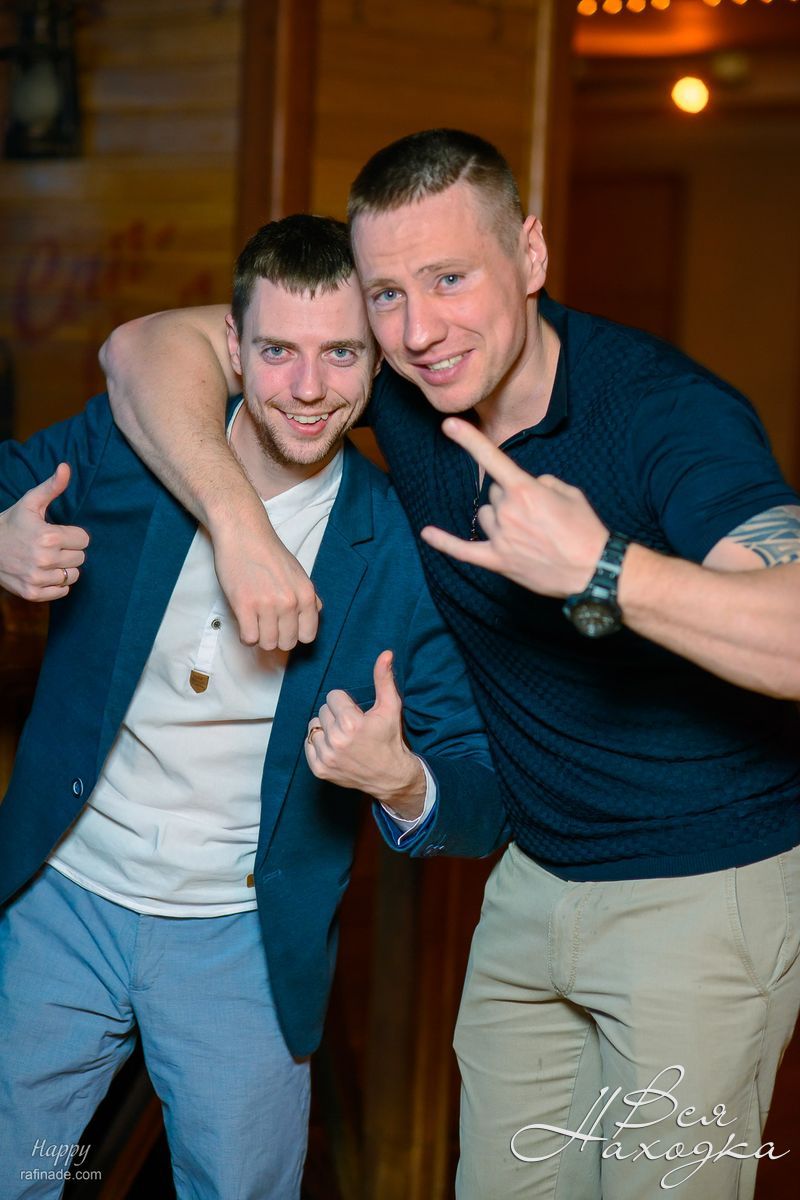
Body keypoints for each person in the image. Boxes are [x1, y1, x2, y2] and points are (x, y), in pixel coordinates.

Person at [102, 130, 800, 1200]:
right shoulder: (398, 382)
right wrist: (240, 530)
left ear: (530, 254)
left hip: (701, 891)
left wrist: (601, 569)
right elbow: (142, 348)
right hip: (532, 879)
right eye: (385, 294)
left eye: (449, 279)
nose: (419, 330)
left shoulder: (663, 414)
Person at [0, 212, 506, 1200]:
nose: (308, 388)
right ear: (231, 347)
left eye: (340, 354)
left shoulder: (401, 551)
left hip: (241, 937)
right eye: (277, 351)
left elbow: (480, 790)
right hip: (64, 896)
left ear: (376, 365)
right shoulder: (130, 447)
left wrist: (401, 780)